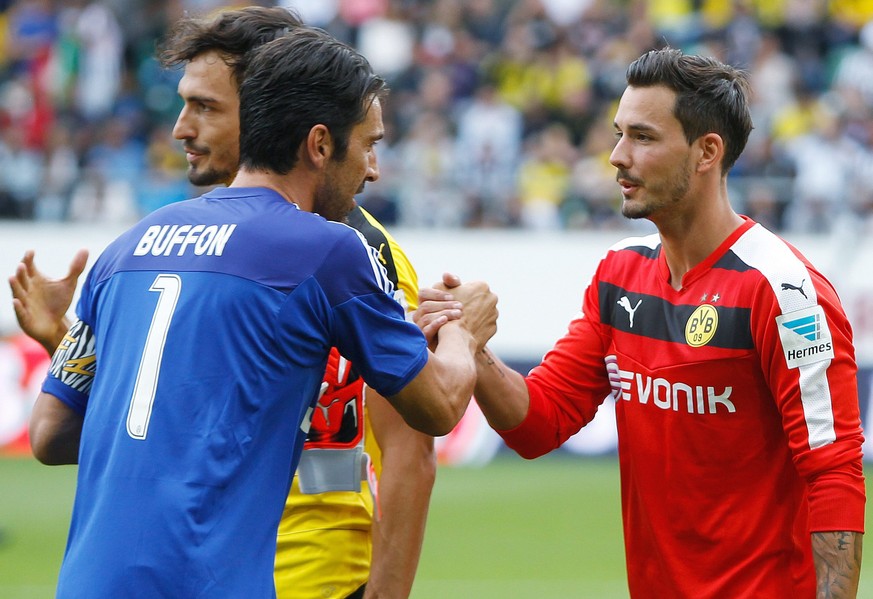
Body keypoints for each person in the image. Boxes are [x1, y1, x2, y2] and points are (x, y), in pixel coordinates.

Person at [23, 26, 496, 598]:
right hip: (237, 578)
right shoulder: (338, 250)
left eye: (204, 106)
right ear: (319, 142)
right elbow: (437, 409)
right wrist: (462, 332)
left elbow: (55, 433)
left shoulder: (127, 247)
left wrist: (63, 341)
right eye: (366, 145)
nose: (372, 170)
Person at [418, 47, 865, 597]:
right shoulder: (620, 274)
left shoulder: (786, 293)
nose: (616, 156)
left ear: (706, 152)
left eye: (643, 137)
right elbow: (539, 424)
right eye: (618, 133)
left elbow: (834, 472)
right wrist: (469, 341)